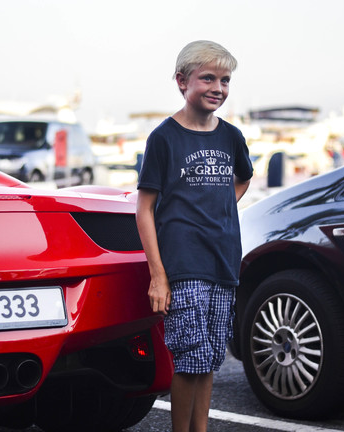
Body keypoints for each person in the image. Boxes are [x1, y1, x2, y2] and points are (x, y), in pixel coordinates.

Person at [135, 40, 253, 432]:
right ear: (182, 81)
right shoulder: (164, 138)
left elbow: (242, 180)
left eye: (225, 80)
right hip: (182, 266)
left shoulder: (231, 137)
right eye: (208, 78)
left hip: (223, 263)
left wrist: (215, 207)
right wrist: (158, 276)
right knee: (189, 358)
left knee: (211, 358)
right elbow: (144, 208)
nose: (217, 87)